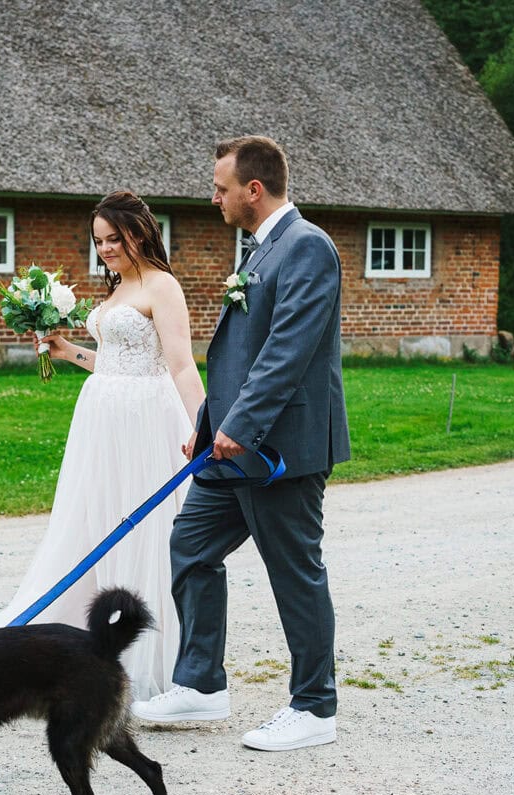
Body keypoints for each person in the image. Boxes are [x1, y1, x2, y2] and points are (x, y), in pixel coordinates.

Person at [131, 136, 350, 751]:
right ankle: (201, 685)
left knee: (294, 571)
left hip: (279, 451)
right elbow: (238, 356)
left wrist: (238, 426)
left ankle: (314, 707)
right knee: (192, 544)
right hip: (231, 450)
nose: (214, 197)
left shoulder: (307, 248)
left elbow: (286, 353)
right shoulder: (260, 251)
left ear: (254, 189)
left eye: (221, 187)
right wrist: (208, 429)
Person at [0, 190, 206, 702]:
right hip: (102, 418)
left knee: (140, 527)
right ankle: (76, 648)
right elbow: (114, 360)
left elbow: (179, 364)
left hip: (146, 419)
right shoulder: (119, 286)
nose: (105, 249)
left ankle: (152, 660)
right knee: (93, 519)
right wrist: (65, 349)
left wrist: (204, 424)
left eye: (113, 239)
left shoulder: (162, 286)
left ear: (139, 233)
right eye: (98, 241)